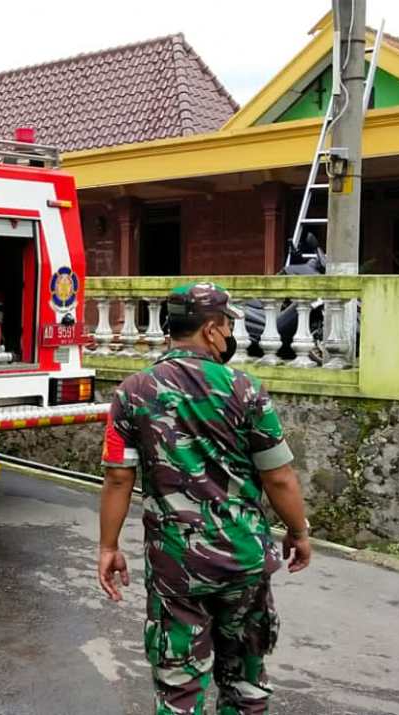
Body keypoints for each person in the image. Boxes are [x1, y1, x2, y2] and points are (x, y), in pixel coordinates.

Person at [97, 282, 313, 715]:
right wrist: (298, 531)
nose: (231, 333)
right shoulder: (245, 389)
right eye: (229, 325)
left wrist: (108, 546)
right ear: (212, 330)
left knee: (179, 689)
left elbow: (119, 478)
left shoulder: (133, 392)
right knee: (245, 683)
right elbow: (280, 478)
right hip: (244, 559)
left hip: (176, 566)